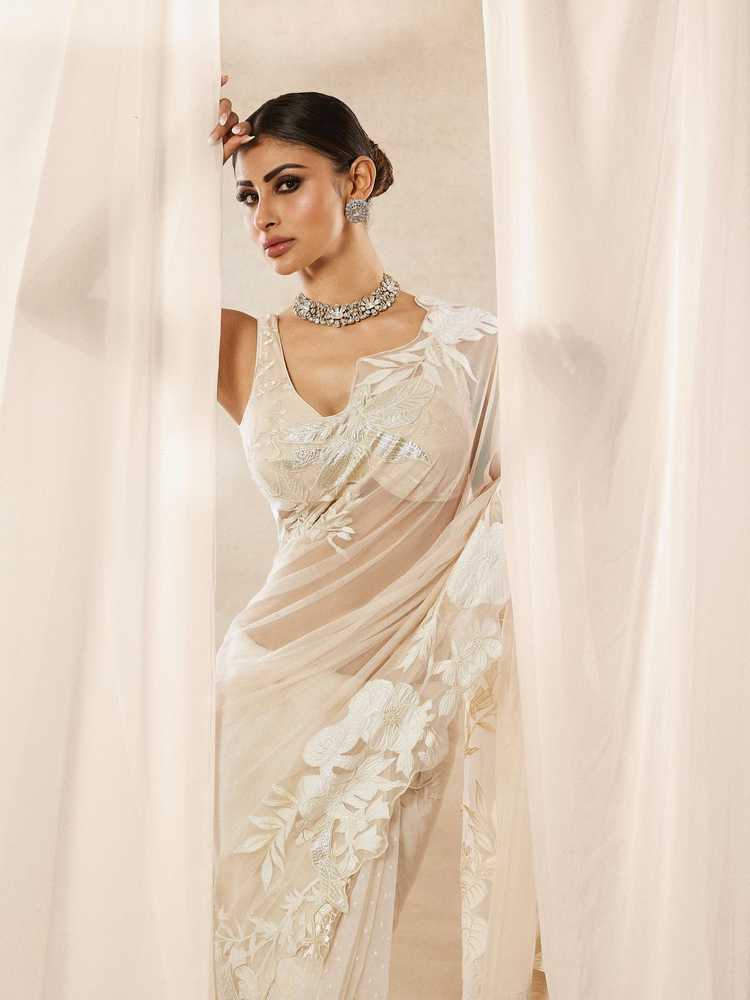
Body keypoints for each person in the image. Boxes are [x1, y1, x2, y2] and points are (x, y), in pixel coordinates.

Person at [210, 77, 544, 999]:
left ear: (355, 180)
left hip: (397, 717)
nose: (262, 217)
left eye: (287, 184)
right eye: (247, 195)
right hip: (258, 700)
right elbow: (53, 292)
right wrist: (162, 149)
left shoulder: (476, 353)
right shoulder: (238, 347)